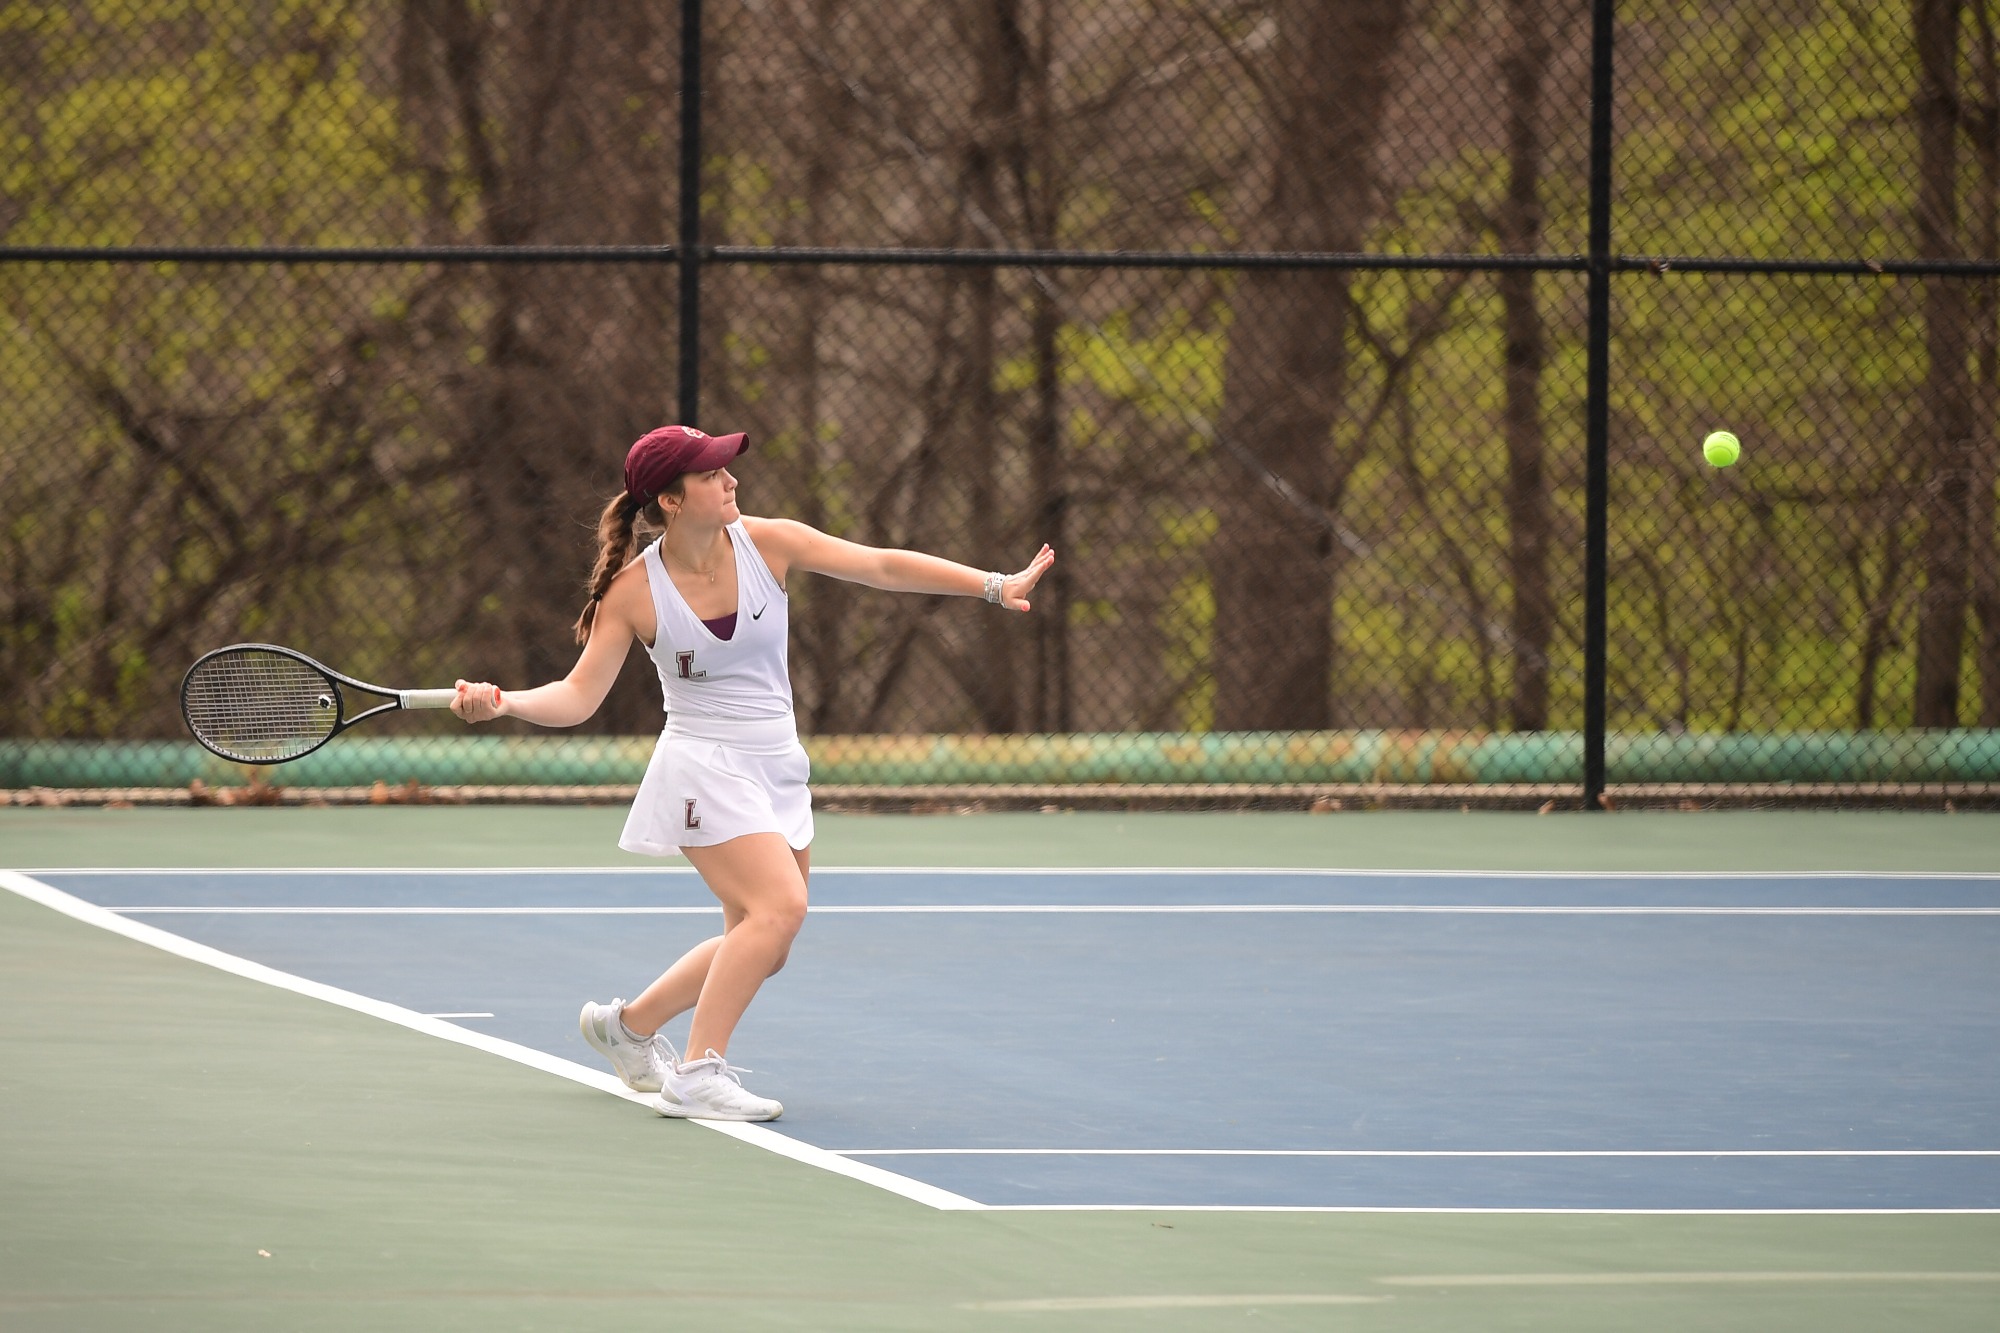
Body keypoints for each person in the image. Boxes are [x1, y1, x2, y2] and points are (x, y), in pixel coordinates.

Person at [450, 424, 1054, 1121]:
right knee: (780, 909)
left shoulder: (770, 544)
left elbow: (881, 565)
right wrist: (505, 704)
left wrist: (992, 584)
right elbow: (579, 695)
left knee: (765, 945)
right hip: (702, 767)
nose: (731, 480)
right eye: (712, 474)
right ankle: (698, 1074)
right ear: (672, 502)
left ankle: (628, 1026)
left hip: (777, 765)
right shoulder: (633, 592)